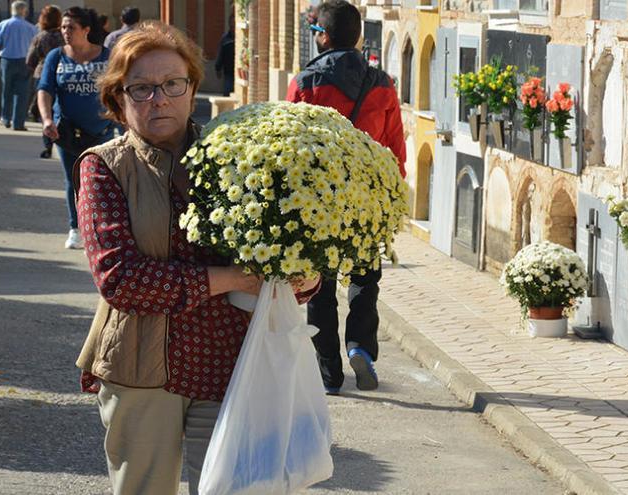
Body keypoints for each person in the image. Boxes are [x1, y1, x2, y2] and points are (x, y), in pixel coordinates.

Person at [73, 21, 320, 495]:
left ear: (191, 88)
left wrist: (301, 277)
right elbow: (120, 279)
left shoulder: (239, 155)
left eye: (171, 84)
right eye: (141, 88)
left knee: (237, 488)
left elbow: (282, 244)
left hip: (230, 363)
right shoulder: (104, 166)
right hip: (141, 367)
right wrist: (232, 278)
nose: (158, 99)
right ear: (117, 99)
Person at [286, 0, 406, 395]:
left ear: (322, 35)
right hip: (367, 198)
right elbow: (394, 149)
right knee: (365, 278)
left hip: (320, 200)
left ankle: (329, 373)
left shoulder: (306, 83)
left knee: (320, 285)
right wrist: (391, 196)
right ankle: (361, 348)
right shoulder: (382, 83)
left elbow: (293, 145)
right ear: (358, 36)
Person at [38, 6, 113, 250]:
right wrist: (47, 119)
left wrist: (119, 115)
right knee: (74, 181)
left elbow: (119, 88)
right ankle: (76, 228)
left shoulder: (106, 56)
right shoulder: (56, 56)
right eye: (63, 27)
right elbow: (45, 89)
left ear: (86, 30)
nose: (66, 32)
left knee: (101, 182)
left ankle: (101, 229)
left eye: (71, 27)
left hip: (101, 132)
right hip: (66, 132)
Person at [0, 1, 37, 130]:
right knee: (22, 93)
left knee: (6, 90)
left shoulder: (3, 25)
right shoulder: (31, 27)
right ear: (24, 11)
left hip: (7, 59)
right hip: (24, 60)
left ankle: (6, 118)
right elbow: (34, 45)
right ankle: (18, 123)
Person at [26, 4, 62, 158]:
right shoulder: (64, 36)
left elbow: (30, 60)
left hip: (42, 75)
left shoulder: (40, 37)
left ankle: (48, 144)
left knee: (45, 112)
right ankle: (60, 140)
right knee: (59, 109)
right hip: (61, 74)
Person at [213, 15, 234, 96]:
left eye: (234, 24)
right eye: (231, 25)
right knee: (227, 93)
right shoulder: (225, 39)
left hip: (238, 71)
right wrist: (218, 68)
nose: (233, 27)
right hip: (228, 72)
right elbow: (220, 54)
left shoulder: (240, 38)